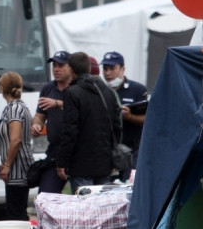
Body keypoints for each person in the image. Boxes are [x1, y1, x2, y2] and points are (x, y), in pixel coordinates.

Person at [53, 52, 122, 195]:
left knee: (84, 211)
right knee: (101, 210)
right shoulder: (108, 92)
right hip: (104, 161)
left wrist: (61, 162)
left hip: (81, 164)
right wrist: (112, 157)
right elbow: (117, 127)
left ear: (71, 69)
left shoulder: (72, 93)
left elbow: (70, 131)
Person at [101, 51, 150, 179]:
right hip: (107, 151)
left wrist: (129, 117)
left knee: (130, 185)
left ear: (122, 69)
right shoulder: (100, 91)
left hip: (133, 150)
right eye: (105, 69)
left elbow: (149, 120)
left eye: (112, 68)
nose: (107, 73)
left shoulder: (137, 90)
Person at [31, 51, 74, 194]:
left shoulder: (77, 87)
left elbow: (81, 107)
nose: (56, 69)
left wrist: (57, 103)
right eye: (54, 65)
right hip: (55, 151)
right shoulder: (48, 88)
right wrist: (36, 125)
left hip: (77, 153)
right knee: (45, 197)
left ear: (71, 67)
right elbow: (40, 115)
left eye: (61, 65)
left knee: (81, 199)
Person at [0, 72, 34, 221]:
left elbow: (16, 139)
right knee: (17, 211)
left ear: (1, 88)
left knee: (16, 213)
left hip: (17, 169)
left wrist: (7, 165)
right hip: (16, 166)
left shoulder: (14, 109)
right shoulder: (19, 107)